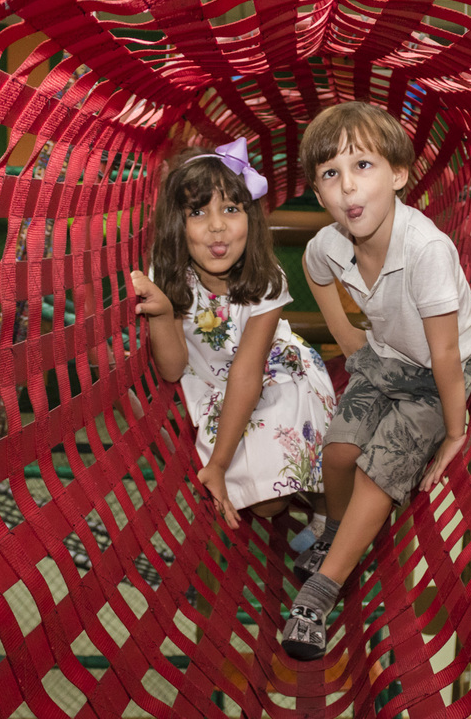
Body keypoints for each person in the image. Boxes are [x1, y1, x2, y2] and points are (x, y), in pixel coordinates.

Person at [281, 103, 471, 660]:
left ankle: (318, 595)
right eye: (330, 173)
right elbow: (314, 270)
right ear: (318, 195)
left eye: (363, 165)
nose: (348, 185)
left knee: (380, 468)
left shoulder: (426, 250)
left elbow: (443, 351)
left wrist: (455, 428)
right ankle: (336, 531)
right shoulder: (330, 242)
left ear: (398, 175)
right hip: (386, 351)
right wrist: (347, 337)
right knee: (340, 450)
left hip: (443, 369)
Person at [130, 138, 336, 533]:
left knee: (278, 489)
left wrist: (219, 464)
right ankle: (295, 492)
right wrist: (162, 312)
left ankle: (328, 511)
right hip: (215, 389)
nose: (217, 226)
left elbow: (247, 372)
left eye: (230, 208)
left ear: (250, 217)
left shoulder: (266, 280)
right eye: (198, 212)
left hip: (279, 377)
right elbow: (173, 369)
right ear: (179, 223)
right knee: (266, 507)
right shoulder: (170, 273)